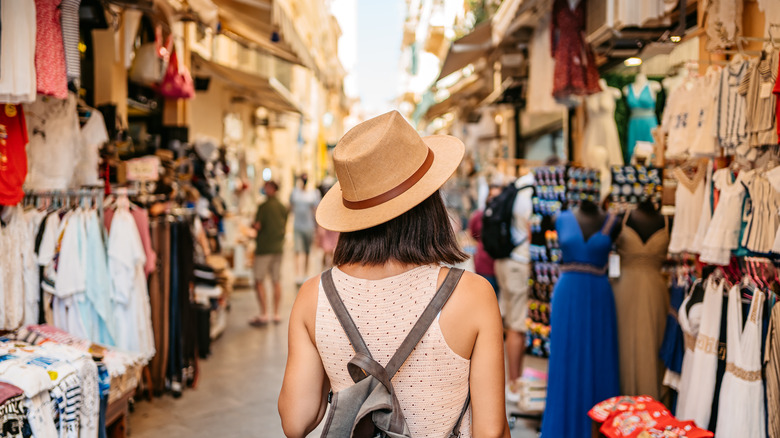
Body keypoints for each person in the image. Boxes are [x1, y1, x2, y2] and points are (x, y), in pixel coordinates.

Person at [279, 111, 510, 437]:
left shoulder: (314, 296)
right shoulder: (472, 295)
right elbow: (492, 431)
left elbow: (295, 421)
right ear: (429, 203)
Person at [492, 170, 535, 403]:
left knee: (509, 322)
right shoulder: (529, 195)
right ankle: (513, 384)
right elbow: (531, 230)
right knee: (517, 326)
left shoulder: (516, 188)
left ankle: (512, 381)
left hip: (505, 262)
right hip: (518, 264)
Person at [250, 180, 287, 325]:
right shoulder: (282, 207)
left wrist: (252, 225)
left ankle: (264, 313)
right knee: (276, 281)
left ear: (271, 189)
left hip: (264, 248)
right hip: (278, 247)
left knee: (259, 280)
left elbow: (257, 226)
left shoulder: (263, 207)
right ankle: (276, 313)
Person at [468, 185, 502, 296]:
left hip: (501, 265)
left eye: (498, 196)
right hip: (484, 265)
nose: (494, 199)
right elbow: (472, 233)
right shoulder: (479, 216)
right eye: (492, 196)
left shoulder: (505, 217)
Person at [289, 173, 321, 286]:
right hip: (298, 226)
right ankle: (298, 275)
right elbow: (291, 207)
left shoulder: (313, 194)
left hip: (309, 226)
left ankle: (305, 274)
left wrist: (318, 227)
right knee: (298, 251)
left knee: (307, 251)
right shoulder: (295, 193)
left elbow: (315, 210)